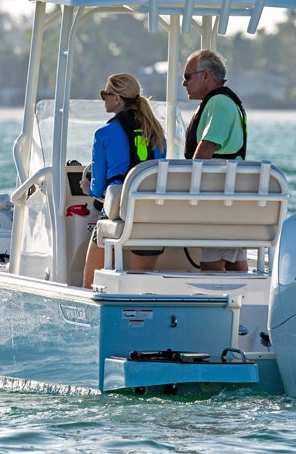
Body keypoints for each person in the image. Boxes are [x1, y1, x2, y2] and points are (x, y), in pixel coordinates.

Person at [80, 73, 167, 288]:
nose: (104, 99)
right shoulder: (157, 133)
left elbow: (99, 187)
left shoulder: (103, 134)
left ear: (117, 98)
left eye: (105, 94)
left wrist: (86, 189)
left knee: (89, 283)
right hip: (151, 216)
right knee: (142, 287)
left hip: (117, 215)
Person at [182, 48, 249, 272]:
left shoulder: (218, 103)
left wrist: (186, 187)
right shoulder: (224, 102)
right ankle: (246, 303)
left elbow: (206, 147)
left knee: (210, 265)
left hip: (220, 200)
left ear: (206, 76)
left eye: (187, 77)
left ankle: (219, 304)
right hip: (230, 199)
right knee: (234, 262)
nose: (184, 84)